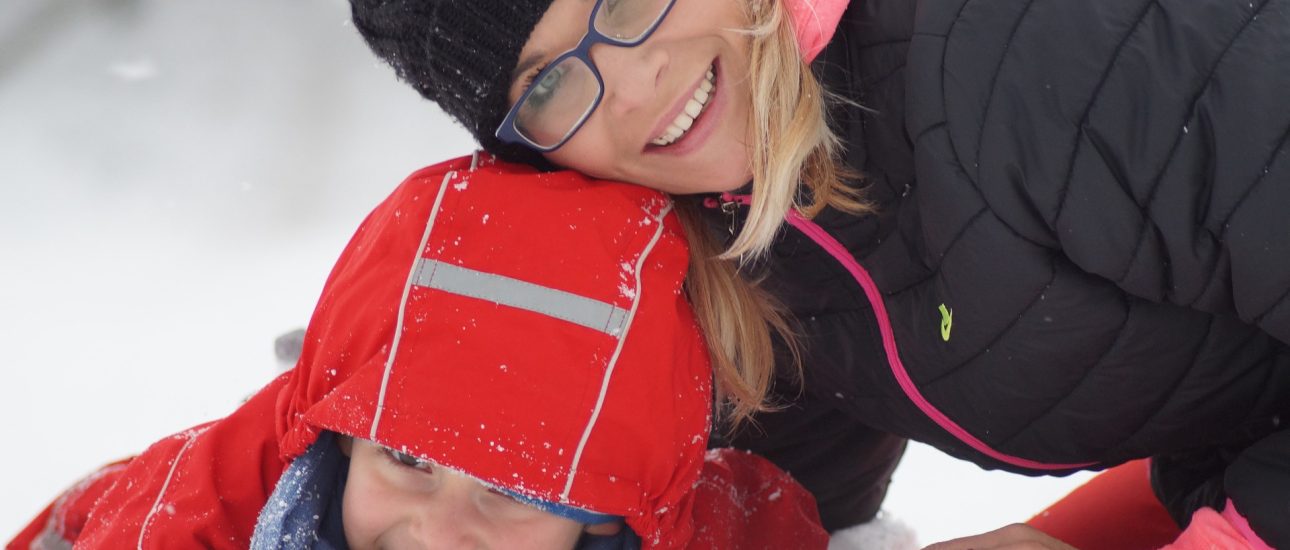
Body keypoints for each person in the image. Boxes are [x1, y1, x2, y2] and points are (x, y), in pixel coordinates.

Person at [346, 0, 1290, 545]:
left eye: (627, 0)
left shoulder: (1019, 49)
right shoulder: (737, 222)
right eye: (548, 83)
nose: (632, 86)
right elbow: (783, 482)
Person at [7, 154, 830, 549]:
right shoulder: (173, 525)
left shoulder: (688, 525)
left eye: (510, 490)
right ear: (341, 441)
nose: (436, 532)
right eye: (405, 459)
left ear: (608, 523)